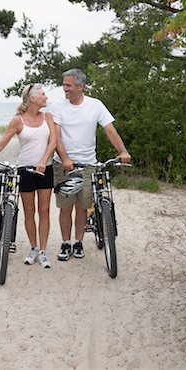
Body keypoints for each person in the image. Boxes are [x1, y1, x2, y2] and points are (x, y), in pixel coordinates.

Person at [49, 69, 131, 261]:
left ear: (80, 86)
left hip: (88, 165)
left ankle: (78, 242)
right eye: (64, 84)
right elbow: (56, 136)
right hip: (63, 165)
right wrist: (65, 158)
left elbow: (110, 130)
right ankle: (65, 243)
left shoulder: (96, 105)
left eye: (68, 85)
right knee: (65, 207)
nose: (64, 89)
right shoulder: (57, 106)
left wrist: (123, 151)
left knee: (83, 206)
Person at [0, 84, 56, 269]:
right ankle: (34, 248)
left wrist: (43, 161)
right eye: (43, 94)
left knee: (44, 211)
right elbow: (2, 143)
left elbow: (53, 141)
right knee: (29, 212)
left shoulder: (48, 117)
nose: (46, 97)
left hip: (46, 169)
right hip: (24, 170)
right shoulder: (17, 120)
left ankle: (43, 251)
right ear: (32, 98)